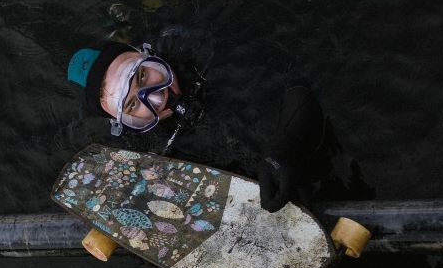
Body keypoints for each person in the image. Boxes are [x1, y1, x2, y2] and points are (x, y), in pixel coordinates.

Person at [66, 38, 330, 213]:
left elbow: (297, 86)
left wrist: (284, 151)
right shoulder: (144, 156)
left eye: (144, 75)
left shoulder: (208, 57)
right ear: (125, 124)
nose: (158, 98)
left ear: (146, 55)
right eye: (133, 105)